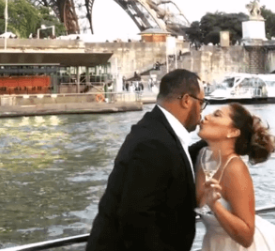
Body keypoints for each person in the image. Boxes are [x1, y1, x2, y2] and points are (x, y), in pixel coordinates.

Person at [86, 68, 206, 251]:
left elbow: (173, 163)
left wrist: (210, 142)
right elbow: (136, 220)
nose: (202, 112)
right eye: (202, 103)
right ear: (187, 101)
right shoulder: (153, 144)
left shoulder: (156, 131)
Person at [196, 103, 275, 250]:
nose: (206, 116)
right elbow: (199, 201)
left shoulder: (235, 168)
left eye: (216, 115)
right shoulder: (204, 156)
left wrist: (215, 205)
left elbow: (247, 237)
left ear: (232, 132)